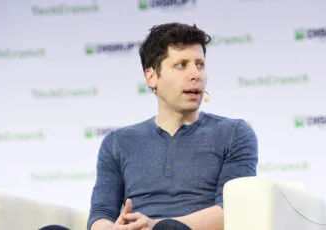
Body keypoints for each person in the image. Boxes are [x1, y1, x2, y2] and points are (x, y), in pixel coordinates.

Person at [87, 22, 258, 230]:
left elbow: (231, 210)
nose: (196, 75)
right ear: (151, 77)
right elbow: (100, 215)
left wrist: (156, 225)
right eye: (181, 65)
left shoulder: (234, 134)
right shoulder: (117, 142)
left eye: (200, 64)